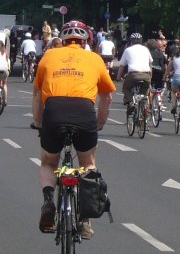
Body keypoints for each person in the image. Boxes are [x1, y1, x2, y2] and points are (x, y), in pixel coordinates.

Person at [33, 20, 116, 238]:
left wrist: (40, 123)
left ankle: (49, 201)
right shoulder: (95, 59)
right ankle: (85, 220)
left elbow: (38, 94)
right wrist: (99, 122)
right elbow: (107, 96)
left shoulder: (49, 56)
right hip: (84, 112)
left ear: (63, 39)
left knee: (49, 162)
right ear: (85, 40)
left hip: (54, 111)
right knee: (87, 164)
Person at [117, 33, 153, 106]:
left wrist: (118, 77)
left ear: (131, 41)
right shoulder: (146, 49)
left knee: (126, 88)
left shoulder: (128, 50)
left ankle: (130, 101)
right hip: (146, 75)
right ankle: (143, 106)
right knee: (145, 91)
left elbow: (122, 66)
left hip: (133, 75)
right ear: (141, 40)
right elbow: (150, 64)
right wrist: (150, 77)